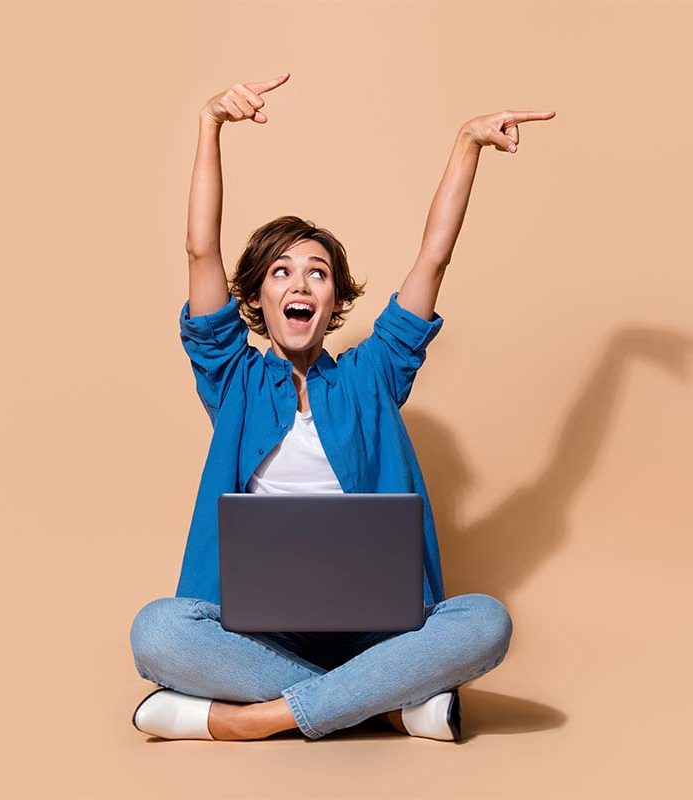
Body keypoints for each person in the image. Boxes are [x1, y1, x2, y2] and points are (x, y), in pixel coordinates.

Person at [129, 73, 555, 742]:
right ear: (258, 299)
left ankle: (250, 721)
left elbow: (433, 258)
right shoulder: (232, 376)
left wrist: (466, 144)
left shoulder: (372, 375)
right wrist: (209, 127)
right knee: (157, 630)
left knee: (485, 621)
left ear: (334, 303)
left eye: (317, 272)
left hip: (377, 632)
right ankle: (386, 704)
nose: (300, 282)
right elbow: (199, 249)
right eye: (281, 271)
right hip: (261, 635)